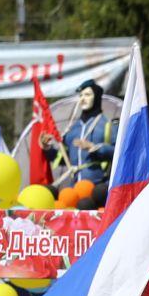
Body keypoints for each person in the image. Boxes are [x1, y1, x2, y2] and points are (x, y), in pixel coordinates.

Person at [52, 79, 117, 207]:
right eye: (81, 95)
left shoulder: (107, 125)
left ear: (96, 97)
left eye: (87, 95)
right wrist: (47, 148)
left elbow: (118, 153)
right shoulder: (72, 129)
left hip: (97, 188)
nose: (82, 99)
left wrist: (95, 148)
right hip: (74, 188)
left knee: (87, 206)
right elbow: (62, 159)